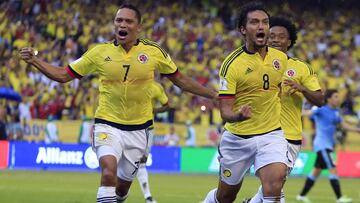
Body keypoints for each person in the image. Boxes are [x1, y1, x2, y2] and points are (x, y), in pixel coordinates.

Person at [19, 4, 217, 203]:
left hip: (139, 131)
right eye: (119, 20)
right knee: (108, 173)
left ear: (138, 27)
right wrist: (35, 61)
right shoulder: (98, 52)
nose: (122, 24)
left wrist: (213, 95)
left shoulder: (154, 52)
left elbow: (180, 80)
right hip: (107, 124)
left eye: (128, 21)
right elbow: (63, 75)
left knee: (121, 189)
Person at [202, 2, 292, 203]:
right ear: (243, 30)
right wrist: (238, 116)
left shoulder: (280, 58)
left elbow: (275, 90)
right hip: (238, 139)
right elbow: (225, 112)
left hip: (271, 134)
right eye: (254, 22)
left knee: (274, 185)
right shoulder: (232, 65)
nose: (261, 27)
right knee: (226, 196)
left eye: (265, 22)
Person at [242, 16, 324, 203]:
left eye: (281, 36)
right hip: (261, 132)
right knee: (275, 186)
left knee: (273, 185)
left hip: (289, 135)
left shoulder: (301, 68)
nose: (276, 40)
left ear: (290, 41)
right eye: (272, 36)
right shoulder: (253, 63)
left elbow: (320, 100)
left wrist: (303, 89)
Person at [296, 89, 359, 203]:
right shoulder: (321, 109)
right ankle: (339, 198)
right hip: (322, 145)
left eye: (338, 96)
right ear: (329, 99)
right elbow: (307, 113)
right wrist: (294, 111)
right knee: (333, 169)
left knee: (316, 171)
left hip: (329, 145)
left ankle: (301, 195)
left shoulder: (336, 112)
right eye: (335, 96)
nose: (338, 99)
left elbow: (343, 125)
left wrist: (357, 130)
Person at [136, 81, 169, 203]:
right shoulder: (130, 82)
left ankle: (147, 196)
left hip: (147, 129)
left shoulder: (156, 87)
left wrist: (153, 110)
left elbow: (166, 105)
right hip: (128, 127)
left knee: (142, 162)